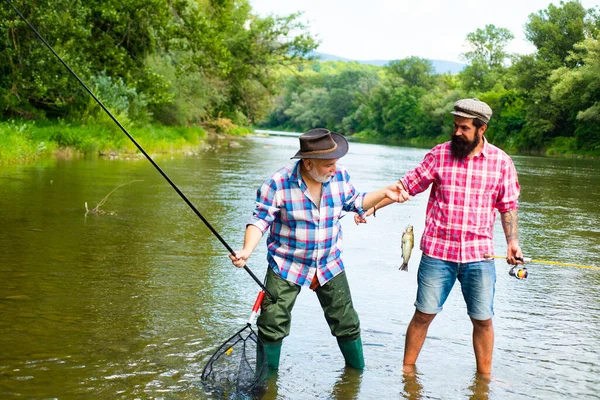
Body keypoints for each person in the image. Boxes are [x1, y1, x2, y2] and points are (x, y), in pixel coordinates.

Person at [358, 98, 522, 376]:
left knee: (483, 320)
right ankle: (407, 372)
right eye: (455, 126)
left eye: (464, 128)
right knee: (423, 315)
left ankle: (484, 379)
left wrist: (512, 243)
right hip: (437, 254)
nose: (457, 132)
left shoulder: (501, 162)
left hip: (479, 256)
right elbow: (405, 186)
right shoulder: (439, 155)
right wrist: (372, 207)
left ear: (481, 129)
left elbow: (508, 207)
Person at [230, 128, 409, 371]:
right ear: (308, 163)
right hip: (286, 265)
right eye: (329, 165)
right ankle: (266, 384)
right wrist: (246, 250)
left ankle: (356, 375)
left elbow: (355, 201)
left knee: (346, 323)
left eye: (335, 163)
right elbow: (260, 220)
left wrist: (384, 193)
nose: (334, 169)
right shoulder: (277, 183)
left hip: (329, 263)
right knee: (271, 325)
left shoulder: (339, 176)